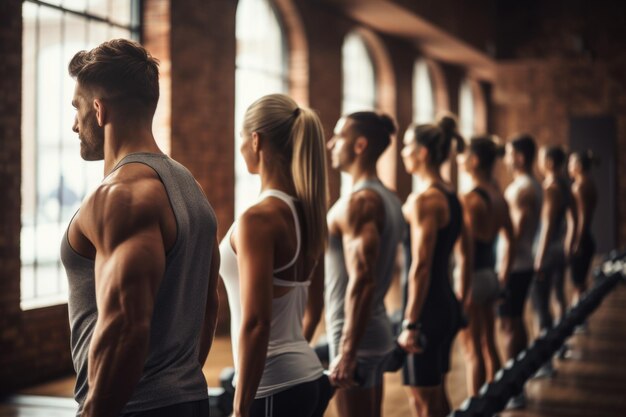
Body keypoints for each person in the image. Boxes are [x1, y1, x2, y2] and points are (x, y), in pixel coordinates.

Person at [62, 39, 220, 417]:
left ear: (99, 110)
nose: (74, 124)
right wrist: (177, 389)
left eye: (77, 108)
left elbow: (124, 328)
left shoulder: (120, 196)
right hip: (186, 399)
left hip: (131, 408)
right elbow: (208, 306)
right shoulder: (189, 187)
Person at [220, 94, 332, 417]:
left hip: (272, 388)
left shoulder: (259, 219)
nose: (240, 146)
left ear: (255, 140)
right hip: (307, 377)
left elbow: (257, 322)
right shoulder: (308, 214)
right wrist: (295, 354)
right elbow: (315, 305)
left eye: (242, 138)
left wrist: (240, 409)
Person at [325, 112, 405, 417]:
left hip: (357, 338)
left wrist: (347, 352)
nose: (331, 144)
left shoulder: (361, 203)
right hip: (370, 332)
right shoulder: (389, 197)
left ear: (359, 145)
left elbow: (364, 280)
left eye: (339, 136)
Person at [398, 123, 470, 417]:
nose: (402, 152)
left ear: (423, 152)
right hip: (443, 301)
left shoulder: (426, 201)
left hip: (427, 309)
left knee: (424, 398)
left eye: (407, 146)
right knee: (434, 393)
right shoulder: (450, 195)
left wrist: (411, 323)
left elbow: (421, 264)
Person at [459, 135, 515, 396]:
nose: (460, 159)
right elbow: (511, 240)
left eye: (464, 155)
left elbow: (465, 250)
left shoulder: (470, 199)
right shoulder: (499, 197)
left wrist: (464, 287)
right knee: (489, 342)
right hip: (491, 275)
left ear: (475, 160)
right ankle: (496, 399)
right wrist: (503, 275)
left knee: (472, 351)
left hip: (473, 278)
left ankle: (476, 408)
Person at [498, 134, 543, 409]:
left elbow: (516, 232)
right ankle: (521, 376)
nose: (505, 158)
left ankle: (515, 388)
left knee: (508, 326)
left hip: (515, 266)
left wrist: (503, 269)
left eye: (509, 153)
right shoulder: (526, 185)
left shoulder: (523, 189)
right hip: (519, 264)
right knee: (515, 321)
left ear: (520, 157)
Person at [532, 145, 577, 377]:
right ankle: (559, 344)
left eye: (541, 158)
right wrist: (569, 244)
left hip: (547, 251)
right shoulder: (566, 186)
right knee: (558, 296)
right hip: (558, 249)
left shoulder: (550, 187)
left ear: (549, 162)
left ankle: (545, 361)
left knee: (541, 306)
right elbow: (574, 219)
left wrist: (539, 257)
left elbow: (548, 225)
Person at [568, 150, 598, 305]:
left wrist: (577, 242)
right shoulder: (589, 183)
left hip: (582, 239)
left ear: (578, 166)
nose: (569, 167)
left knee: (578, 284)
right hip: (586, 238)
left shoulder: (579, 186)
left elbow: (583, 217)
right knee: (580, 282)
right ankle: (580, 317)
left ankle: (579, 318)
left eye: (571, 164)